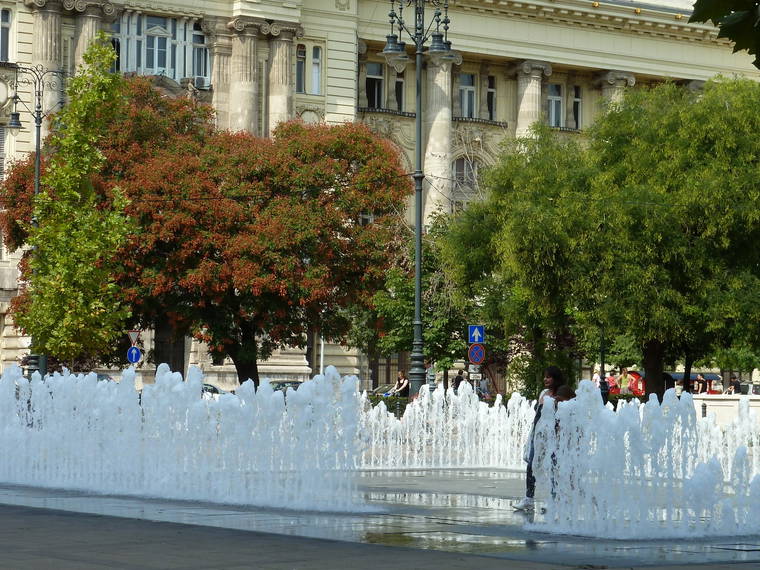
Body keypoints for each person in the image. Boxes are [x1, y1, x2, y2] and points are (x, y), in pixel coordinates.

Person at [513, 365, 566, 512]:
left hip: (553, 437)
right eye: (545, 376)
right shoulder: (543, 393)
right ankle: (529, 499)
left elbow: (563, 417)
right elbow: (537, 416)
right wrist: (531, 435)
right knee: (531, 466)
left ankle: (554, 501)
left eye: (548, 377)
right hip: (538, 435)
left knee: (554, 467)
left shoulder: (561, 394)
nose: (545, 379)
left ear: (555, 378)